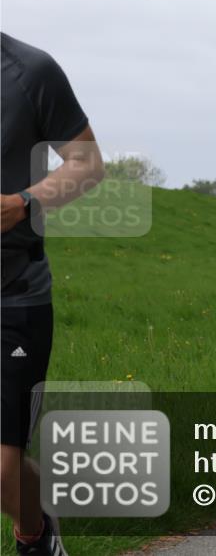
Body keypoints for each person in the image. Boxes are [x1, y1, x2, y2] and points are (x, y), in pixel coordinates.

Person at [2, 32, 105, 556]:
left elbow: (87, 164)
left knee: (0, 468)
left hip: (13, 298)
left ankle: (35, 536)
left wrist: (23, 201)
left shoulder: (30, 71)